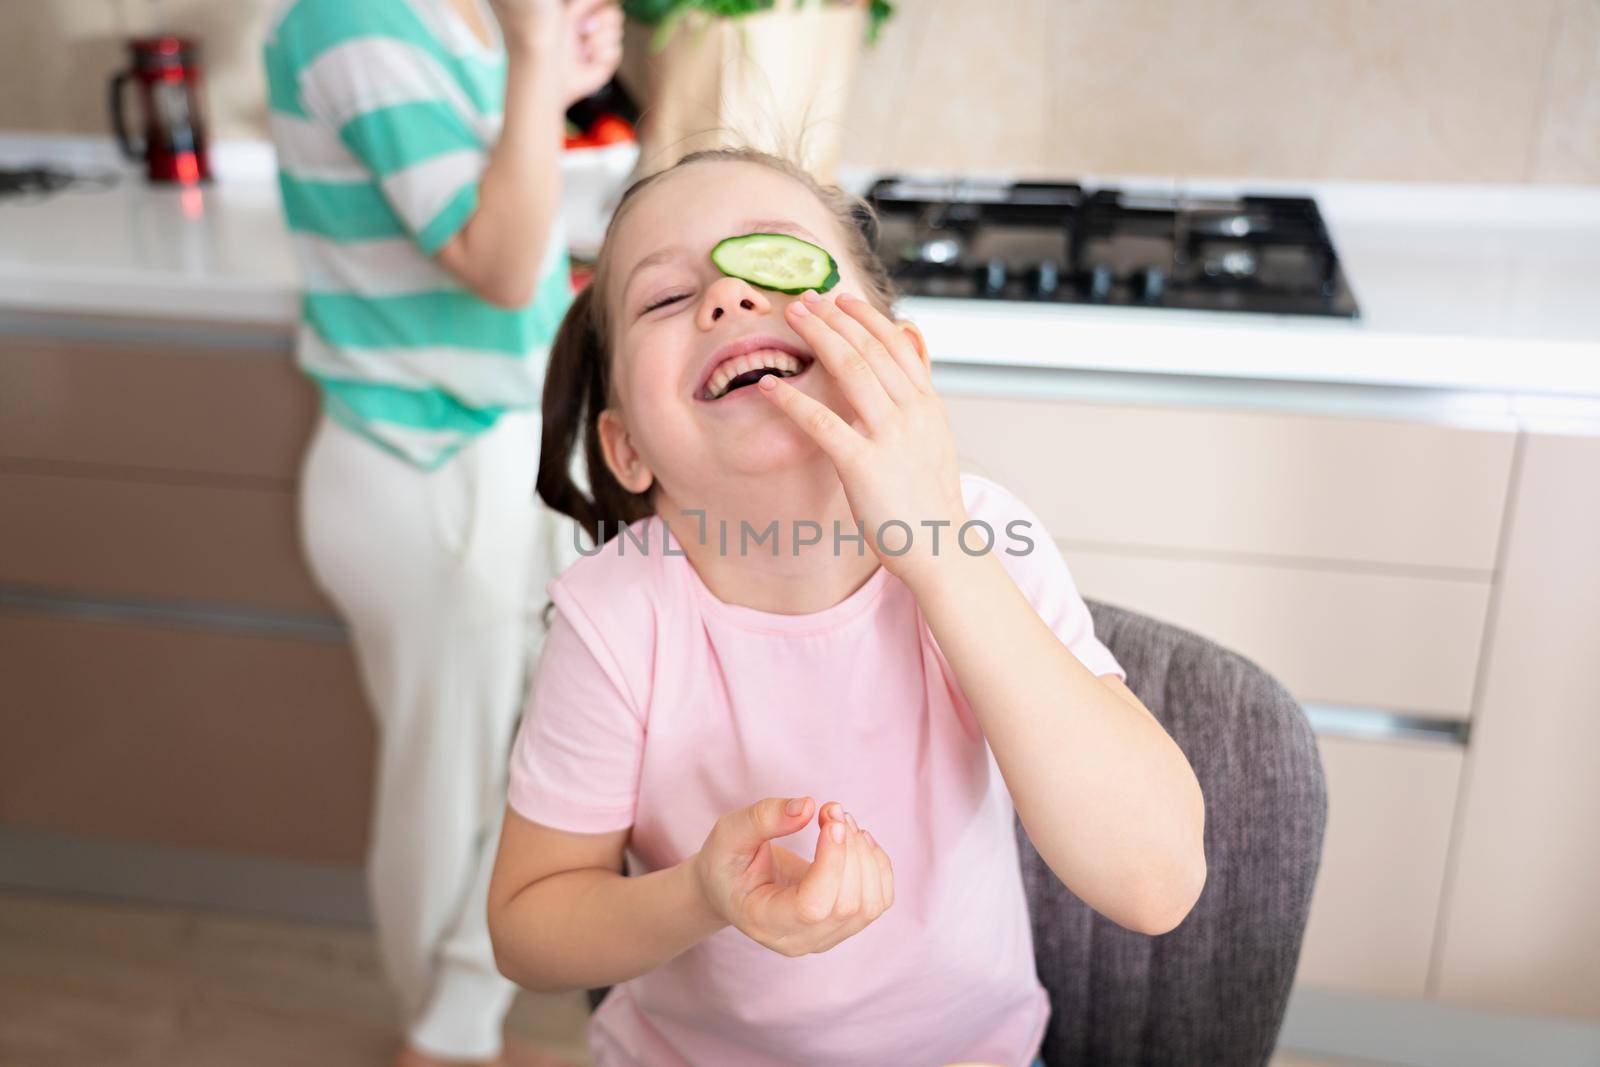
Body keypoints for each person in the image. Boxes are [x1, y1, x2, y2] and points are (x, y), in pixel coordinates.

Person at [484, 147, 1209, 1067]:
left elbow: (1156, 881)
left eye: (773, 262)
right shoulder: (615, 615)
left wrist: (937, 550)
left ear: (899, 359)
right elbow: (527, 926)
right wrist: (703, 894)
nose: (729, 298)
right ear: (627, 450)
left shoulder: (983, 536)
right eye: (666, 299)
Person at [262, 0, 620, 1064]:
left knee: (535, 764)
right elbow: (501, 264)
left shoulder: (445, 15)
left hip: (497, 451)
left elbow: (497, 202)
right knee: (454, 787)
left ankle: (460, 1022)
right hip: (428, 467)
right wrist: (527, 55)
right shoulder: (351, 21)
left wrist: (542, 78)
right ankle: (447, 1034)